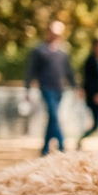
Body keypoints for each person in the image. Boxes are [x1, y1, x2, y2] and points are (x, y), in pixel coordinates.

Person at [24, 21, 75, 155]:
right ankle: (62, 146)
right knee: (54, 116)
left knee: (52, 119)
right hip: (46, 88)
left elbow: (68, 71)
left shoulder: (62, 52)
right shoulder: (40, 50)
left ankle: (45, 149)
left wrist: (75, 86)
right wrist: (27, 88)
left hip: (59, 89)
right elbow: (31, 70)